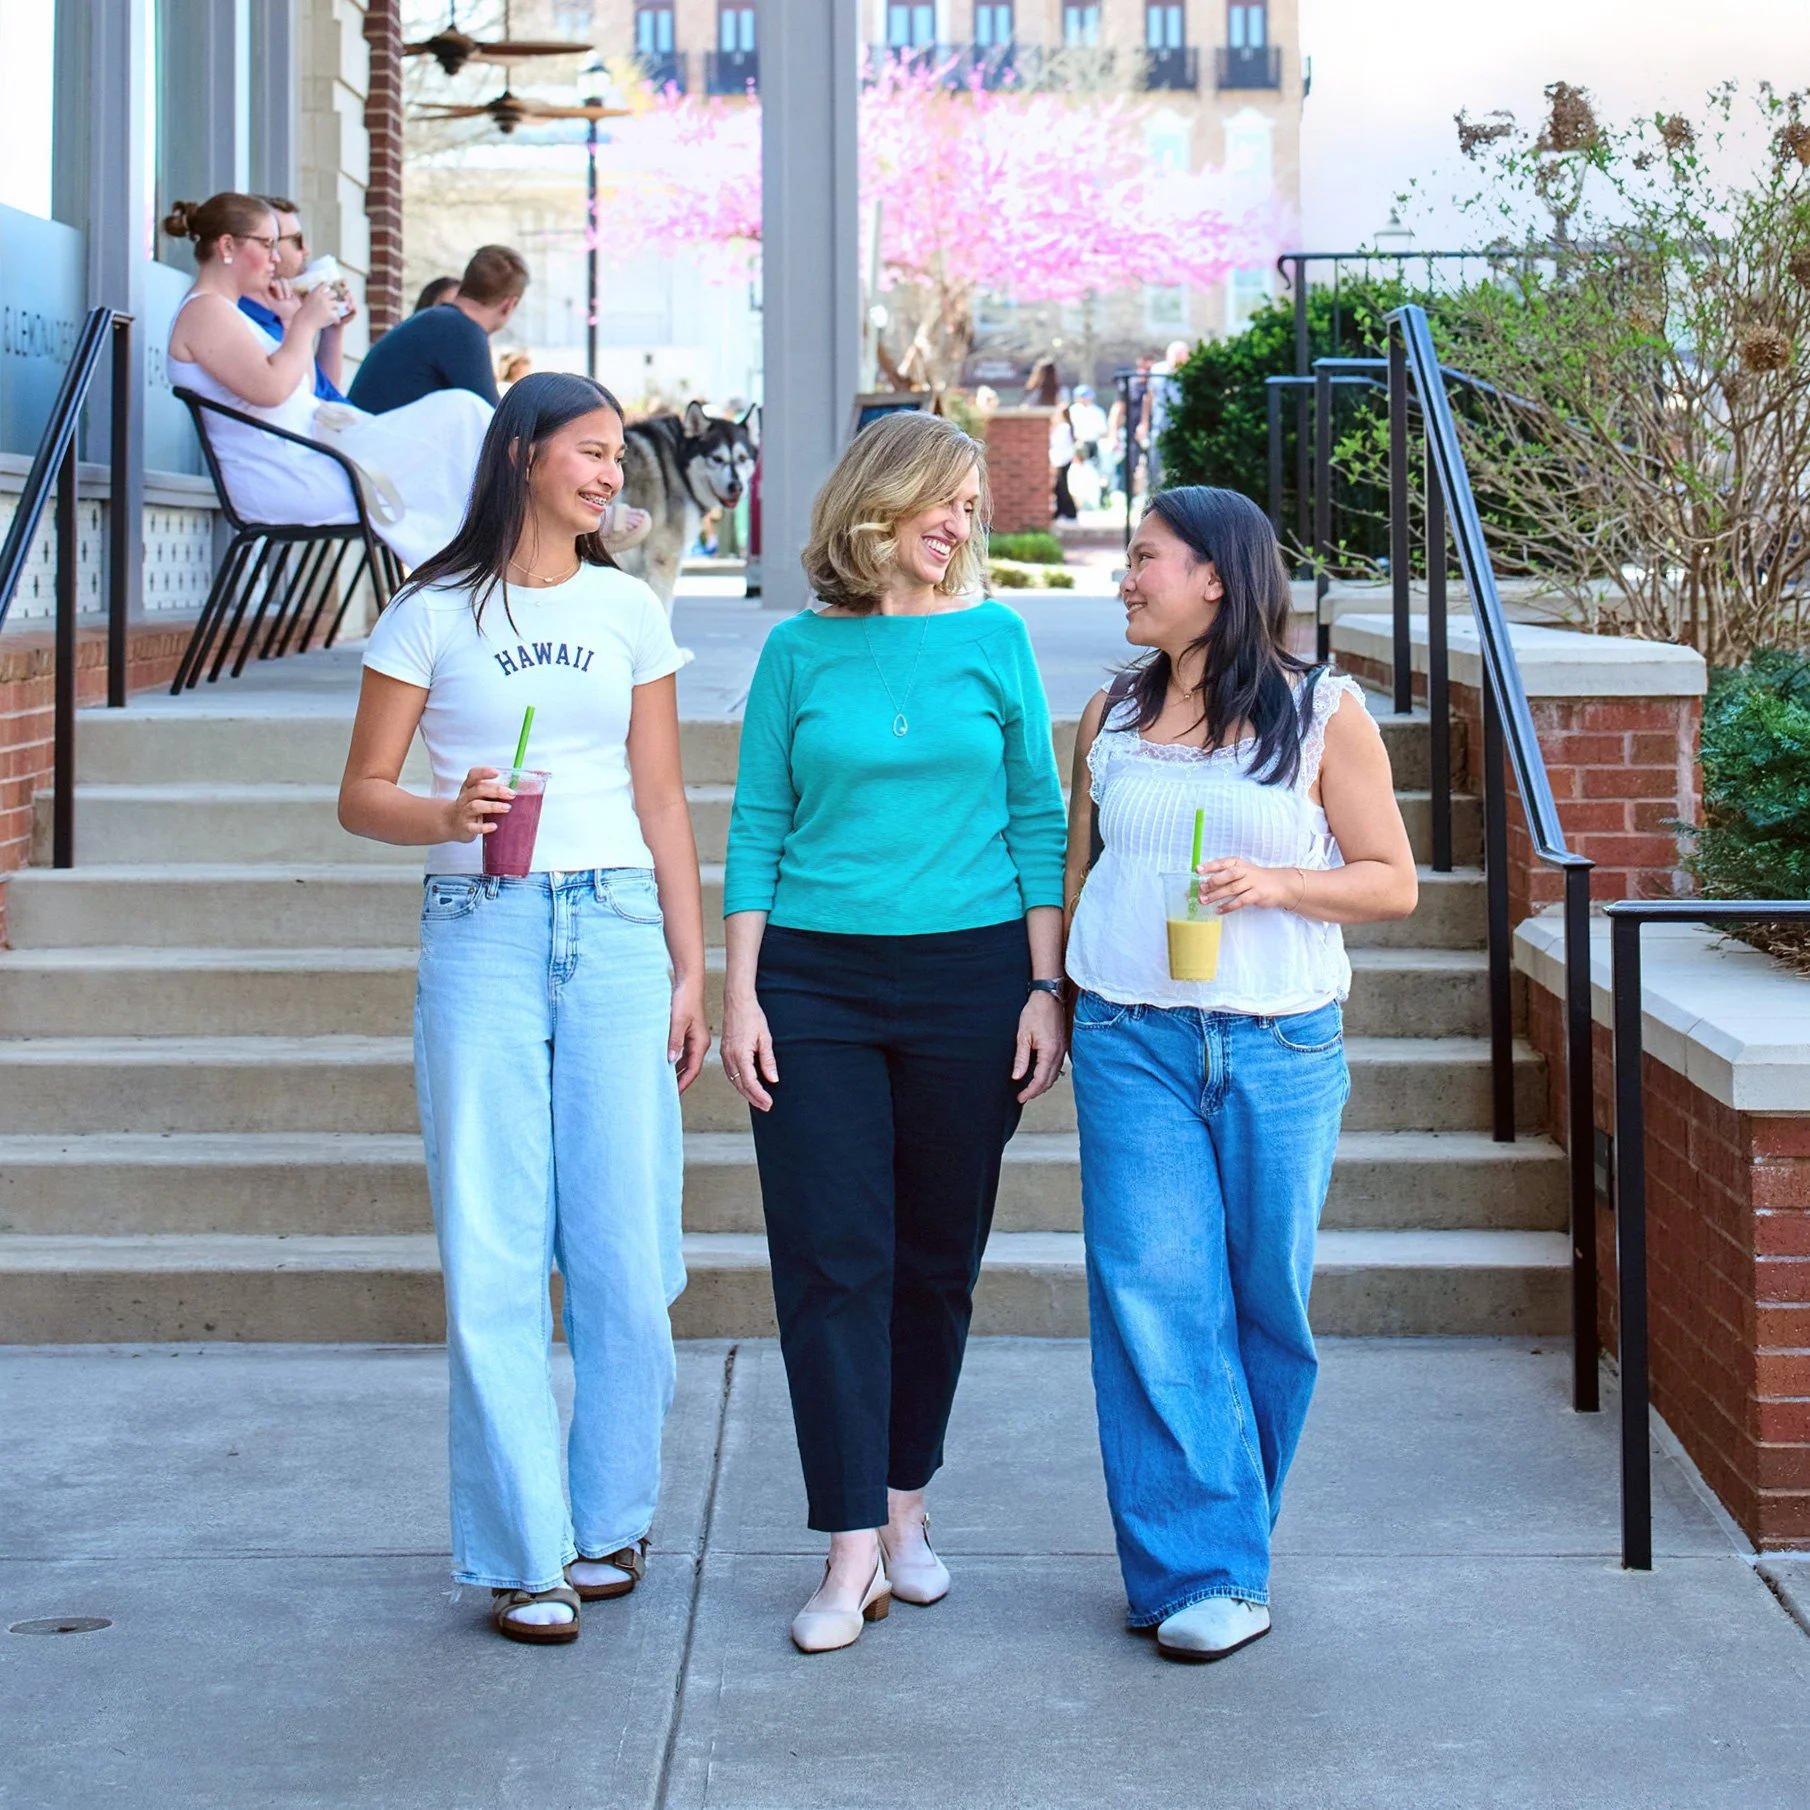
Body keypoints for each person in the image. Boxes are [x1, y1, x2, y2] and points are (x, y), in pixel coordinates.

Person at [338, 371, 709, 1645]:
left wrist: (690, 964)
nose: (614, 476)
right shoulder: (431, 609)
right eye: (593, 454)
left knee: (621, 1245)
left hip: (611, 925)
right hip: (481, 929)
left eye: (619, 458)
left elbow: (661, 799)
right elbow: (361, 793)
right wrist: (447, 816)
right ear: (522, 455)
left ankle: (610, 1519)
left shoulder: (625, 608)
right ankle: (522, 1551)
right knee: (495, 1248)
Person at [720, 411, 1068, 1655]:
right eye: (947, 500)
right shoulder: (797, 654)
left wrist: (1044, 989)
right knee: (830, 1257)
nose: (962, 525)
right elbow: (758, 823)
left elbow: (1036, 813)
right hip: (812, 981)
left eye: (973, 508)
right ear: (881, 502)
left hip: (971, 979)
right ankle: (847, 1542)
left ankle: (904, 1501)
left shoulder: (997, 639)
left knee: (933, 1261)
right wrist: (741, 992)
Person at [1063, 486, 1418, 1665]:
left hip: (1277, 1040)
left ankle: (1222, 1538)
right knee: (1156, 1295)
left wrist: (1279, 886)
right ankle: (1201, 1565)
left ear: (1216, 576)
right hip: (1131, 1035)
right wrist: (1051, 998)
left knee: (1264, 1304)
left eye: (1144, 559)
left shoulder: (1324, 713)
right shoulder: (1109, 711)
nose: (1125, 577)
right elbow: (1082, 872)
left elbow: (1389, 880)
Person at [164, 193, 492, 569]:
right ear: (227, 245)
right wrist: (304, 323)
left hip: (314, 457)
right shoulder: (205, 310)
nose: (275, 258)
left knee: (460, 416)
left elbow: (300, 387)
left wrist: (292, 322)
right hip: (287, 475)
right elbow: (270, 391)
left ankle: (478, 561)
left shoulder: (225, 312)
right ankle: (478, 567)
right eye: (267, 245)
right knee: (459, 419)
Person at [347, 244, 528, 415]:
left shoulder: (436, 321)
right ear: (509, 305)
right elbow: (496, 424)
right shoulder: (461, 331)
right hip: (380, 445)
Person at [235, 197, 352, 400]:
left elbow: (323, 394)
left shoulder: (280, 315)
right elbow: (303, 404)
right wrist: (302, 323)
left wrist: (333, 330)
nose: (306, 250)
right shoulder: (245, 322)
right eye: (297, 241)